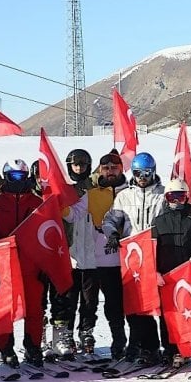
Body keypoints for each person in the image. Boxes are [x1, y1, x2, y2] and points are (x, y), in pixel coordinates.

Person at [64, 149, 129, 361]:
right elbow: (73, 215)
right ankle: (80, 335)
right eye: (106, 168)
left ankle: (119, 343)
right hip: (95, 260)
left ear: (121, 169)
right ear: (100, 170)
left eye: (114, 168)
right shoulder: (92, 194)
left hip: (121, 261)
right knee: (87, 303)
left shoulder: (130, 192)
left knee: (116, 306)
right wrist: (57, 205)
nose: (110, 171)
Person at [103, 151, 166, 365]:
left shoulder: (162, 195)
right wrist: (112, 233)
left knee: (162, 305)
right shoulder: (125, 196)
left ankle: (170, 347)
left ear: (153, 172)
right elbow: (111, 218)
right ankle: (145, 347)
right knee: (137, 305)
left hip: (157, 254)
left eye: (147, 173)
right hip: (134, 257)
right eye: (138, 173)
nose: (142, 177)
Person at [0, 160, 44, 368]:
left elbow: (45, 236)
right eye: (13, 176)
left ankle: (33, 346)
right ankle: (5, 348)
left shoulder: (37, 203)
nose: (17, 180)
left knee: (35, 309)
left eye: (21, 176)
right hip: (4, 266)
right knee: (4, 309)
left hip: (31, 265)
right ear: (6, 176)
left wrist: (44, 265)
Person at [151, 179, 191, 369]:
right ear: (166, 198)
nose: (176, 201)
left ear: (186, 197)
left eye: (180, 196)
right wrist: (155, 270)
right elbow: (152, 249)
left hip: (189, 274)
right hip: (167, 276)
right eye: (172, 196)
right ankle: (172, 350)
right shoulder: (159, 221)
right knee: (169, 316)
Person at [50, 148, 96, 357]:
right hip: (69, 254)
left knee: (89, 301)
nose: (79, 169)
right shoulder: (63, 189)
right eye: (75, 165)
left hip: (92, 255)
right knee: (68, 298)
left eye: (83, 165)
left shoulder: (95, 189)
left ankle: (86, 331)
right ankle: (64, 334)